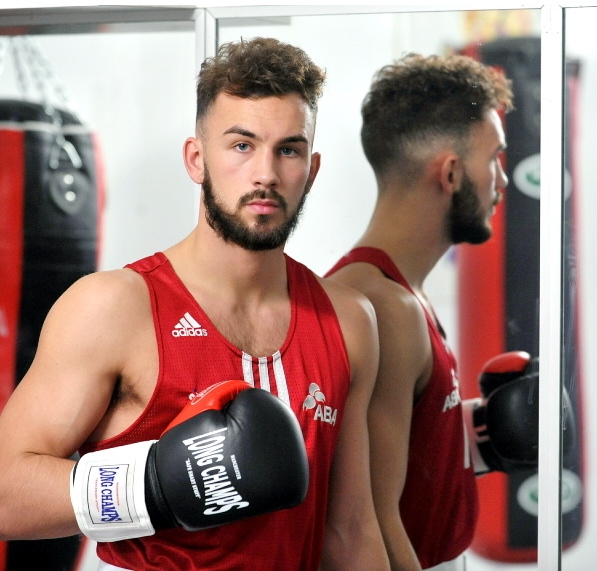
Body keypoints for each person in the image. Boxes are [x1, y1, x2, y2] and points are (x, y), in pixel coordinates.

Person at [0, 37, 390, 571]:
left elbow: (351, 530)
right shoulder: (115, 308)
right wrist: (156, 483)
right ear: (196, 159)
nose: (266, 175)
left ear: (312, 169)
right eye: (241, 145)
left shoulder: (347, 321)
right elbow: (5, 492)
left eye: (289, 149)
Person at [325, 53, 539, 571]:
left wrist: (476, 435)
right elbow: (369, 521)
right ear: (449, 172)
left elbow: (396, 460)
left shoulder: (399, 293)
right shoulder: (380, 304)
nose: (502, 183)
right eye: (495, 160)